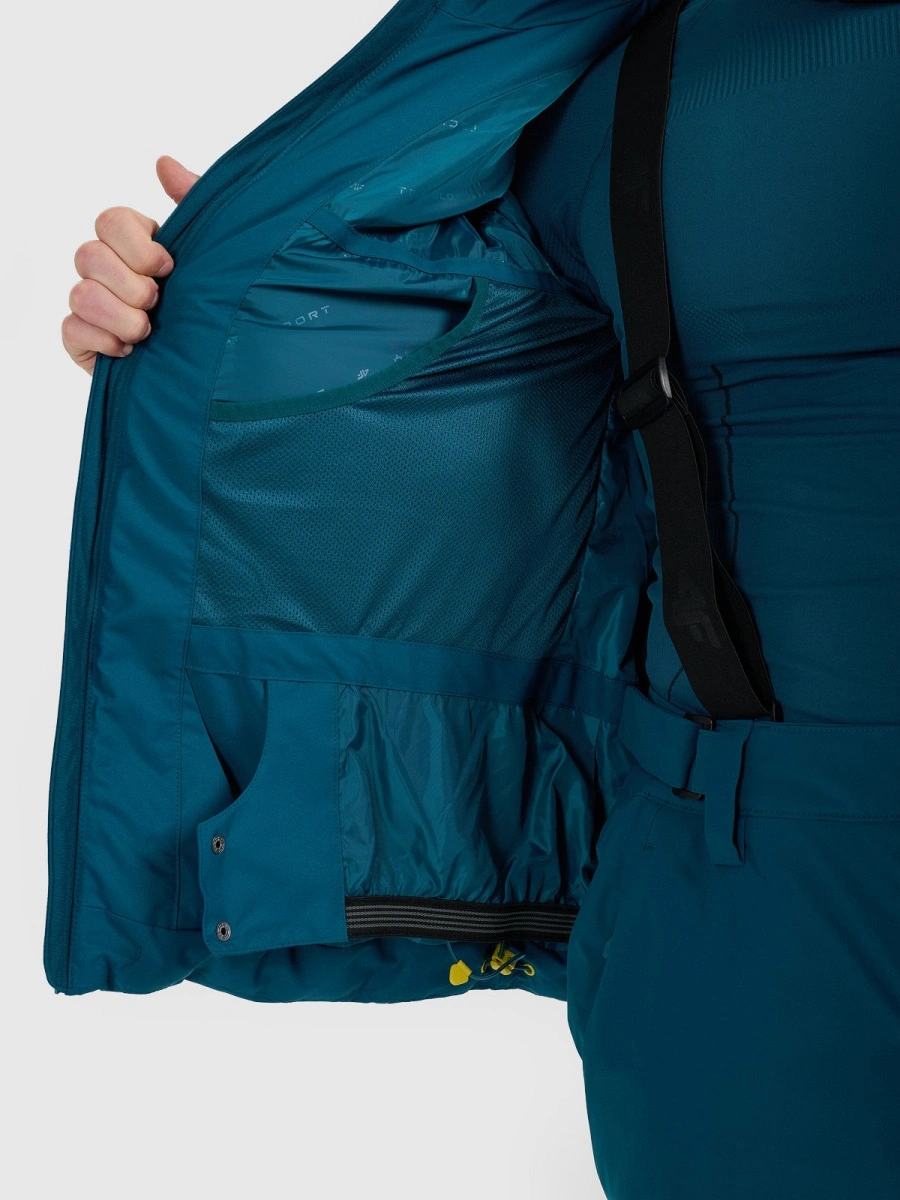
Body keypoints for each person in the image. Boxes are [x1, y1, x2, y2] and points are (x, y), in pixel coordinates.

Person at [58, 1, 900, 1195]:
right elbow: (456, 351)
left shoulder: (633, 85)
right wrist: (223, 296)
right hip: (743, 902)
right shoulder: (630, 87)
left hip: (736, 894)